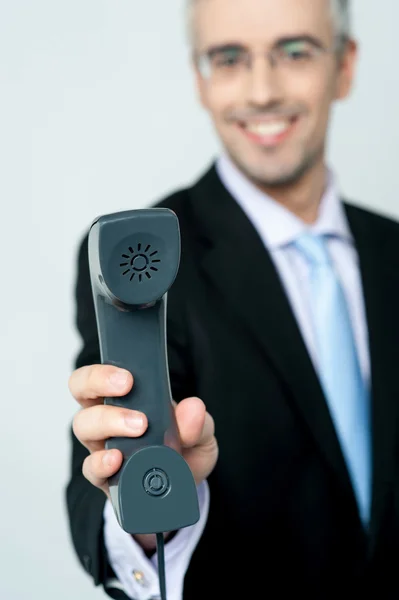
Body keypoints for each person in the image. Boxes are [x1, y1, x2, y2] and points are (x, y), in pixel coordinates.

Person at [65, 0, 399, 598]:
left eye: (295, 52)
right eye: (229, 58)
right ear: (201, 79)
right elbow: (94, 509)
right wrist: (150, 505)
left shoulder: (393, 249)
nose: (263, 91)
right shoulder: (143, 263)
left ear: (344, 66)